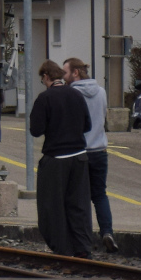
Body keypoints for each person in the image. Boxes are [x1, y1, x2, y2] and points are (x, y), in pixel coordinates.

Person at [28, 59, 93, 258]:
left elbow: (36, 130)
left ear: (46, 77)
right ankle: (82, 248)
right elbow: (87, 126)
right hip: (80, 157)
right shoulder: (76, 95)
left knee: (52, 206)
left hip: (56, 159)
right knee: (79, 205)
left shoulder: (44, 98)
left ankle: (62, 249)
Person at [64, 57, 116, 253]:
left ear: (75, 73)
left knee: (80, 197)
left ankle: (84, 238)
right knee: (100, 195)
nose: (64, 76)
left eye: (66, 72)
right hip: (100, 151)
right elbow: (102, 117)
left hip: (80, 151)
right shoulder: (101, 92)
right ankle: (107, 232)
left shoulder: (71, 93)